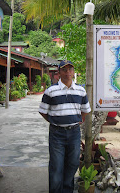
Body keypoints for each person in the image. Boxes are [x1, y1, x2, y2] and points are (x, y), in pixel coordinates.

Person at [39, 60, 91, 193]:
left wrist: (78, 120)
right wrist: (55, 121)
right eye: (64, 70)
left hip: (74, 133)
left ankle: (67, 190)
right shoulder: (51, 91)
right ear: (59, 73)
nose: (68, 72)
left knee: (73, 164)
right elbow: (43, 111)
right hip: (57, 134)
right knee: (56, 166)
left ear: (73, 72)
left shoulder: (80, 90)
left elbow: (85, 110)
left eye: (70, 70)